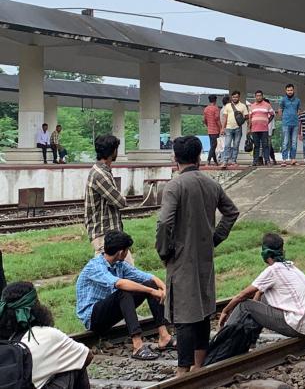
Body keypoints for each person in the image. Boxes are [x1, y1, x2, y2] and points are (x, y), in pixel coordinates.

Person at [156, 136, 239, 375]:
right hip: (205, 255)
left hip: (181, 257)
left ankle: (182, 371)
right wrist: (215, 238)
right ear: (199, 156)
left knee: (183, 314)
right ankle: (199, 366)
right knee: (203, 308)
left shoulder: (175, 186)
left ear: (175, 158)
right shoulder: (210, 183)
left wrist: (165, 250)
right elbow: (231, 212)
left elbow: (164, 223)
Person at [75, 231, 171, 361]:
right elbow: (120, 283)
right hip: (93, 318)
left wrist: (163, 288)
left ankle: (164, 336)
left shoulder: (119, 265)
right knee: (123, 292)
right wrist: (151, 291)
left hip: (109, 312)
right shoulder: (95, 266)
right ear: (121, 252)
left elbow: (147, 276)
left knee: (149, 284)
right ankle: (138, 345)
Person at [216, 233, 305, 343]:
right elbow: (259, 293)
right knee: (264, 296)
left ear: (265, 253)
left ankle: (221, 340)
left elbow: (242, 295)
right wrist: (255, 310)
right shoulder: (291, 267)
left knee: (244, 306)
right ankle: (250, 340)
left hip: (297, 326)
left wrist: (225, 311)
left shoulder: (273, 270)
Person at [1, 282, 92, 389]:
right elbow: (87, 355)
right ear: (36, 306)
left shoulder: (4, 338)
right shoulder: (49, 334)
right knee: (76, 361)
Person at [84, 135, 134, 265]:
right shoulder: (100, 174)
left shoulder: (102, 171)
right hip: (104, 235)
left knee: (125, 272)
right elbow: (120, 202)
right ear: (113, 152)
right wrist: (123, 198)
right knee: (120, 274)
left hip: (110, 235)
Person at [220, 90, 248, 168]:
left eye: (236, 97)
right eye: (233, 97)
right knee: (227, 145)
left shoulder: (243, 106)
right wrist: (223, 128)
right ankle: (225, 161)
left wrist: (241, 120)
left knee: (236, 145)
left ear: (239, 97)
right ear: (231, 97)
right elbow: (224, 117)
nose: (235, 98)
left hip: (238, 128)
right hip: (228, 128)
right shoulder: (228, 106)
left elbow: (247, 116)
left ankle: (233, 161)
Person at [249, 90, 275, 166]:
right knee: (256, 146)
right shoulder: (252, 106)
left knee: (265, 145)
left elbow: (272, 114)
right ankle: (255, 161)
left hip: (264, 129)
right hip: (254, 129)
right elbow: (250, 118)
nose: (258, 97)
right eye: (257, 96)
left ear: (262, 96)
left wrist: (267, 121)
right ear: (255, 97)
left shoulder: (267, 105)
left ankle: (267, 160)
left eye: (260, 95)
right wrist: (249, 128)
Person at [278, 84, 301, 166]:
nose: (290, 92)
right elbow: (280, 110)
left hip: (295, 123)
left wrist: (296, 117)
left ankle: (293, 159)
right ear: (285, 91)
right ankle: (284, 160)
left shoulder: (298, 100)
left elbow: (299, 110)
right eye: (288, 90)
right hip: (286, 124)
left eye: (291, 90)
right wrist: (283, 119)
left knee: (294, 142)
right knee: (285, 142)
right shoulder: (283, 100)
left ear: (293, 90)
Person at [203, 94, 222, 166]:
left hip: (209, 130)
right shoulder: (216, 108)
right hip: (215, 130)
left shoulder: (206, 109)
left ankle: (215, 161)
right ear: (215, 100)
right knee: (214, 146)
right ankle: (208, 160)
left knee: (212, 145)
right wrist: (221, 128)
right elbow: (217, 119)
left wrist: (208, 125)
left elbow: (204, 120)